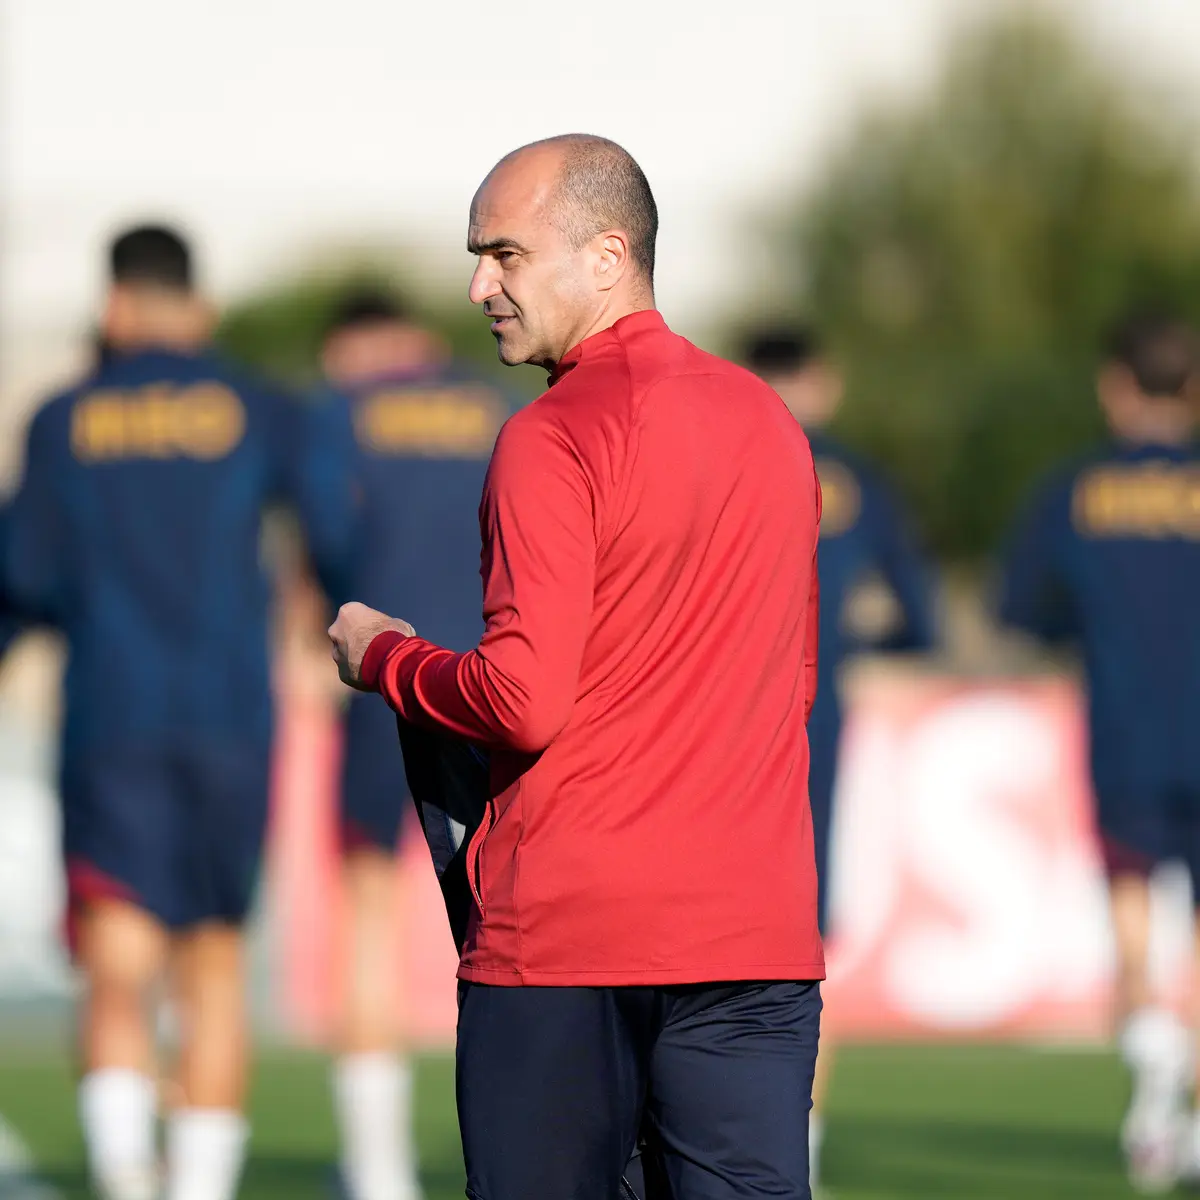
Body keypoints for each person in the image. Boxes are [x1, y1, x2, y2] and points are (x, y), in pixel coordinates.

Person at [329, 133, 825, 1200]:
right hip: (754, 936)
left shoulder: (551, 435)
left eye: (506, 255)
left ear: (608, 255)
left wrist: (386, 659)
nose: (479, 286)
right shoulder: (771, 422)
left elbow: (520, 700)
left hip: (569, 943)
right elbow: (792, 683)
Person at [1, 224, 354, 1200]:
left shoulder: (63, 418)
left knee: (117, 964)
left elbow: (22, 574)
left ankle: (123, 1178)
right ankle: (197, 1188)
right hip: (231, 721)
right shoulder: (256, 406)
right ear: (195, 308)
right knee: (213, 963)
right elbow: (333, 533)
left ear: (113, 304)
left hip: (112, 717)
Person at [318, 289, 514, 1200]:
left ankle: (379, 1170)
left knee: (366, 914)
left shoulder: (344, 413)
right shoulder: (498, 400)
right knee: (521, 916)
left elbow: (325, 541)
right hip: (494, 675)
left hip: (383, 677)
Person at [998, 313, 1200, 1192]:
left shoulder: (1074, 491)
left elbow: (1022, 609)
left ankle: (1153, 1044)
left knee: (1131, 913)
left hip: (1125, 733)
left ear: (1116, 384)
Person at [745, 326, 935, 1188]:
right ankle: (799, 1145)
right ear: (823, 378)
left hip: (715, 720)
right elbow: (918, 611)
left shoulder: (727, 453)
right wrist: (868, 634)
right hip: (816, 725)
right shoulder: (856, 479)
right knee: (799, 935)